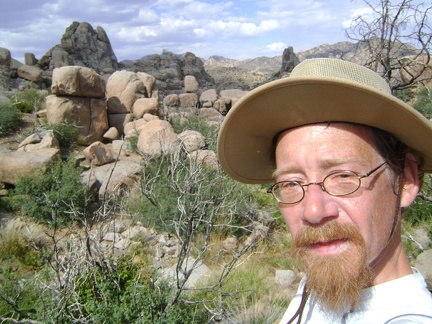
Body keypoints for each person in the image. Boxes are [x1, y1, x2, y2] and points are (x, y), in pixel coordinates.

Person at [217, 58, 432, 323]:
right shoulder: (316, 288)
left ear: (406, 181)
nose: (313, 211)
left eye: (343, 176)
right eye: (291, 183)